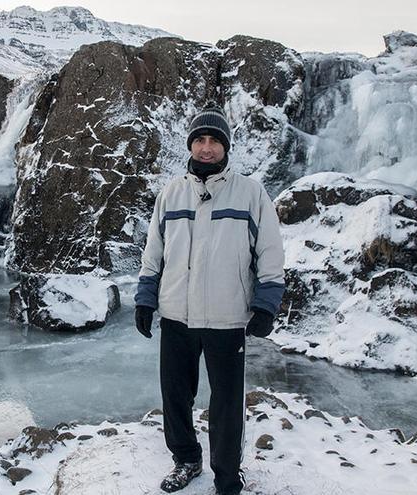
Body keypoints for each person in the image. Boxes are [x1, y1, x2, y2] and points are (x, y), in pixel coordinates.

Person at [134, 103, 286, 495]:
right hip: (176, 315)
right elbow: (154, 252)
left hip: (227, 317)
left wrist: (267, 303)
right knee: (175, 396)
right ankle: (186, 459)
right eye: (200, 140)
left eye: (214, 141)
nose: (206, 148)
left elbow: (270, 253)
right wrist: (145, 299)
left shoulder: (251, 193)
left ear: (225, 147)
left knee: (226, 405)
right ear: (191, 145)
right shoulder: (171, 193)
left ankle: (226, 477)